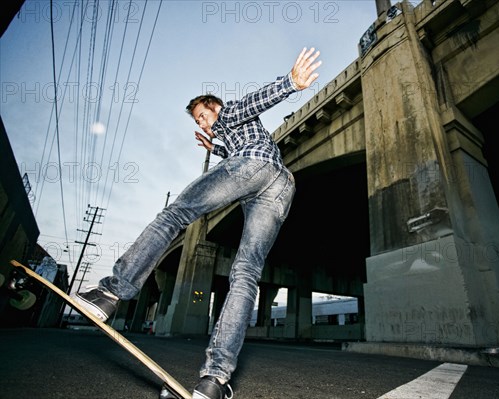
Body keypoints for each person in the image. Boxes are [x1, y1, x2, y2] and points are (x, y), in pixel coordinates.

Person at [73, 47, 322, 399]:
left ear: (214, 108)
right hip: (280, 185)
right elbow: (242, 147)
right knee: (246, 272)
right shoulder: (235, 135)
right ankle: (215, 381)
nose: (202, 123)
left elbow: (251, 104)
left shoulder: (230, 112)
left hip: (252, 167)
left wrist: (289, 84)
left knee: (175, 214)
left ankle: (111, 292)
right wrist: (215, 147)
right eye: (198, 122)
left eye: (203, 117)